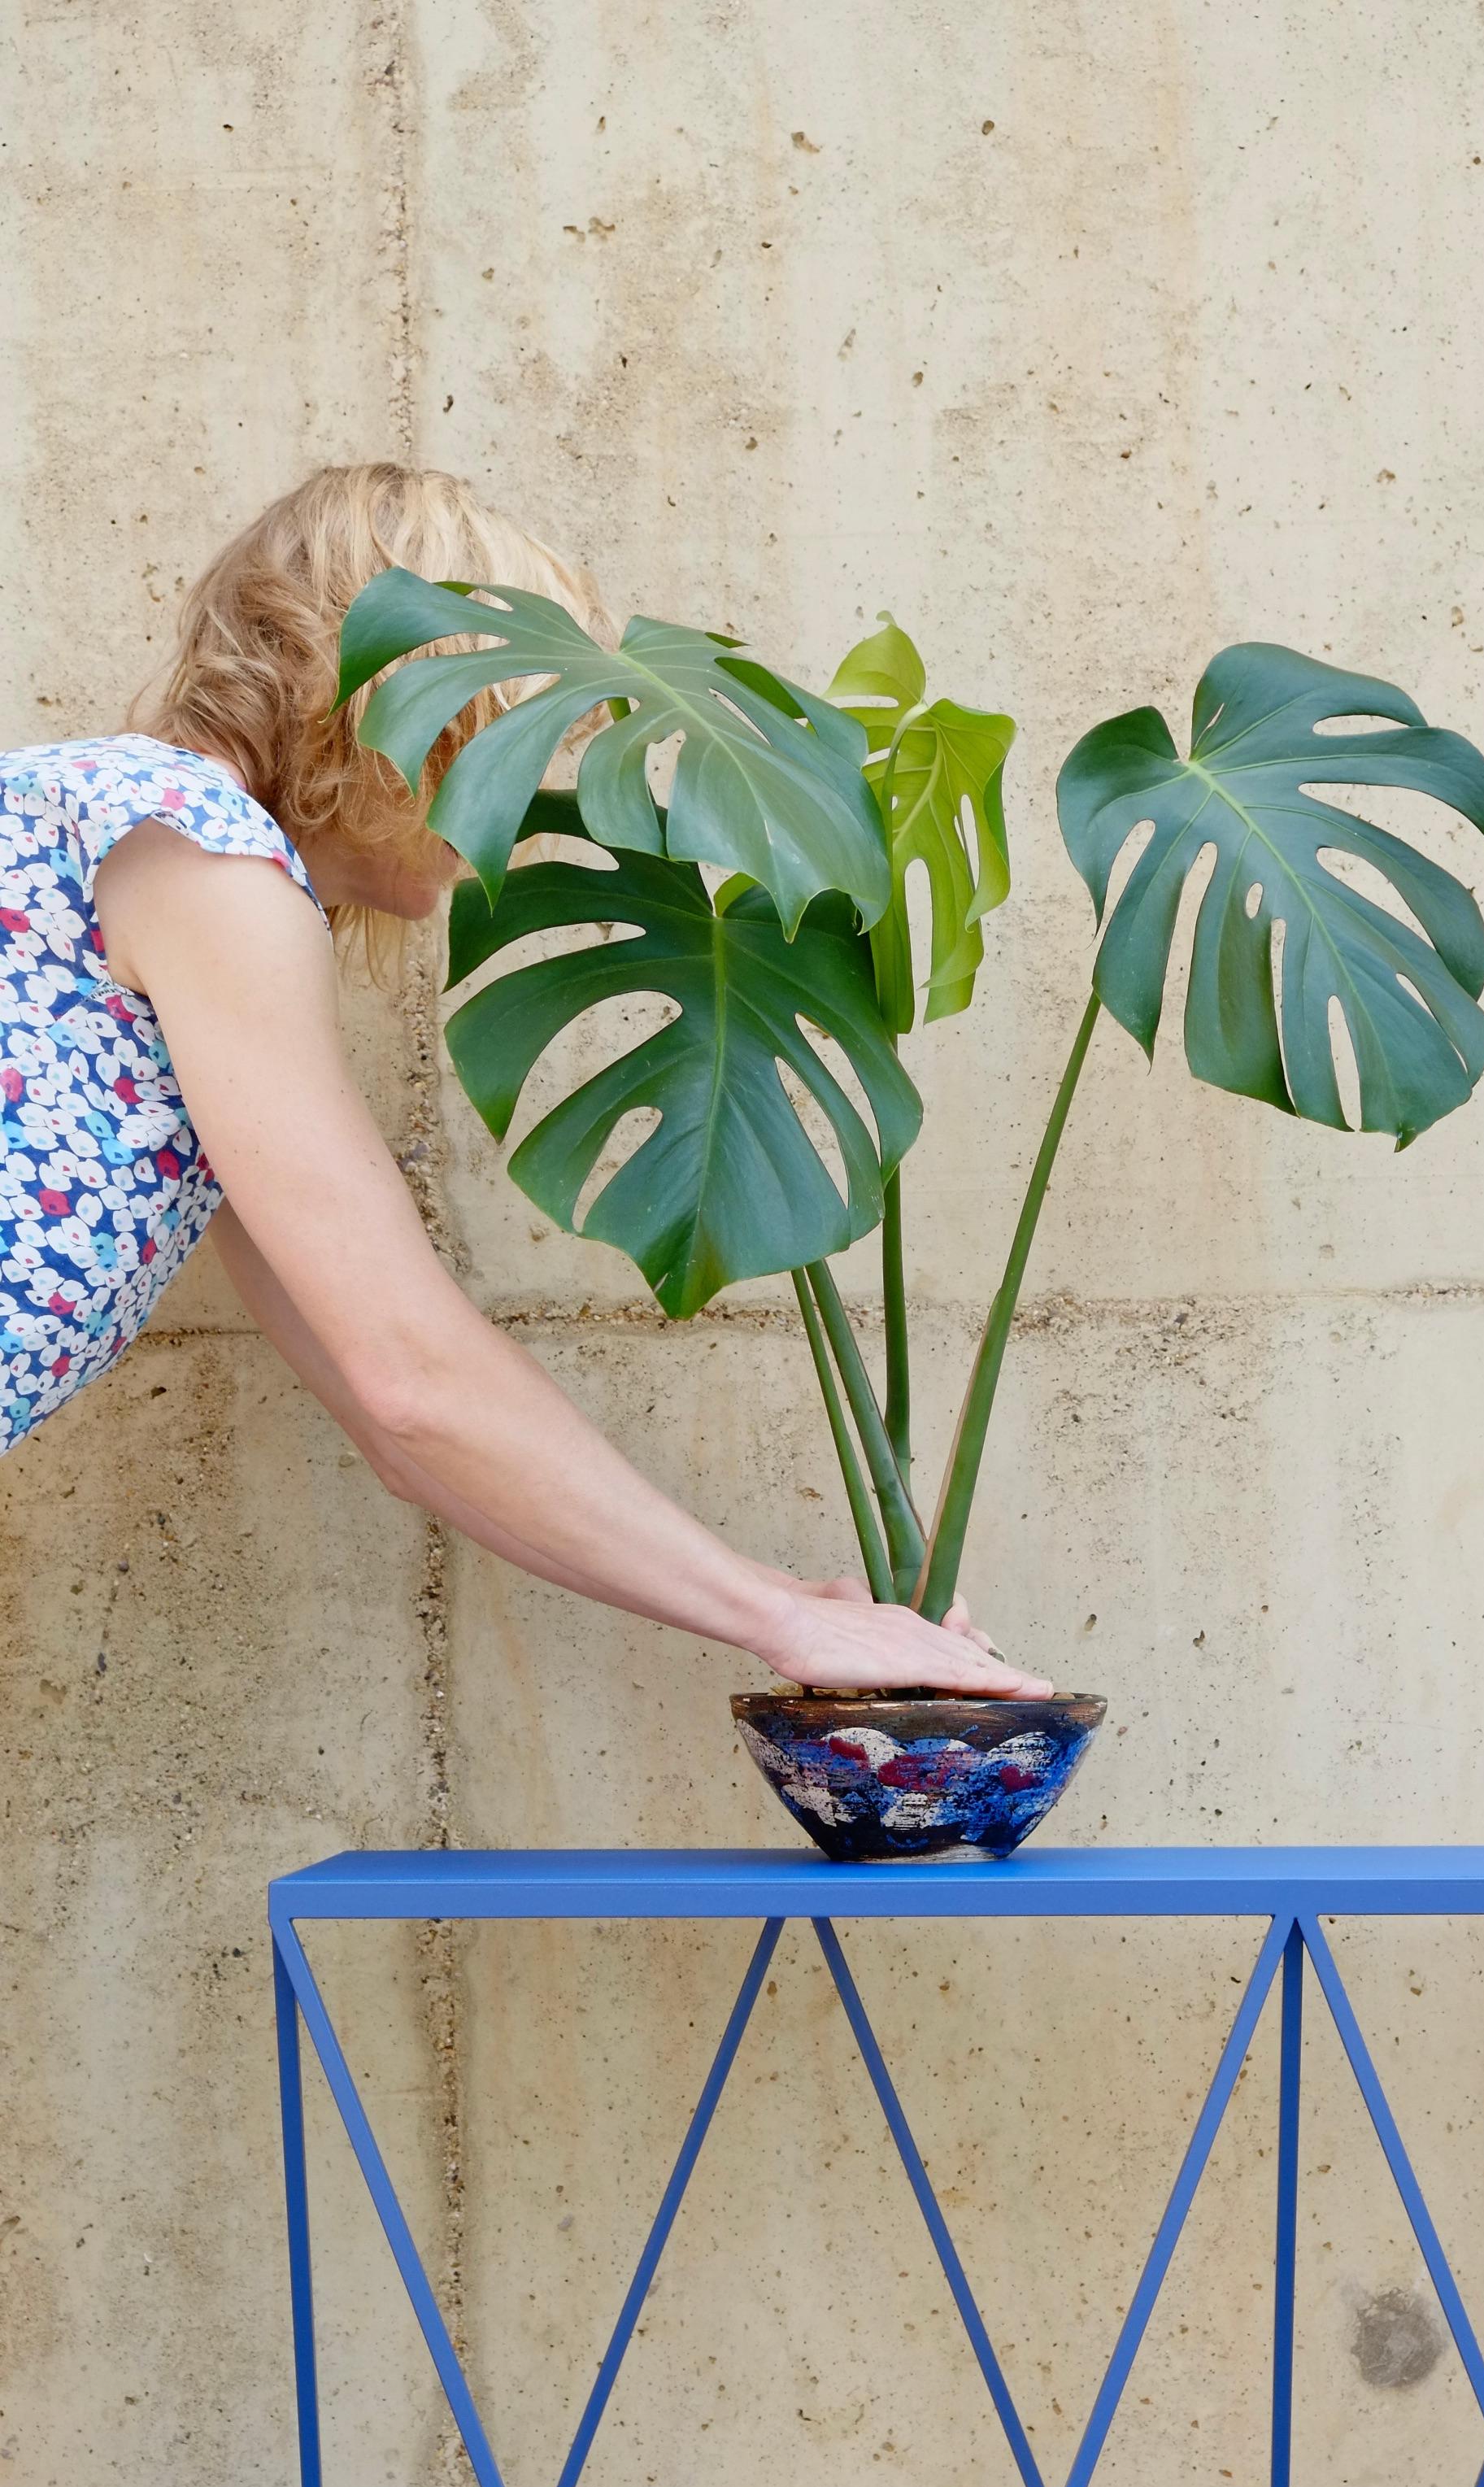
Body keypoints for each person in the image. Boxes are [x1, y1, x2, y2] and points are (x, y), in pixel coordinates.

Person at [0, 464, 1049, 1696]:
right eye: (516, 723)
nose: (543, 785)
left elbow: (401, 1429)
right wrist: (779, 1620)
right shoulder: (201, 855)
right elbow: (412, 1376)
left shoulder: (130, 843)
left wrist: (780, 1606)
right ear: (400, 697)